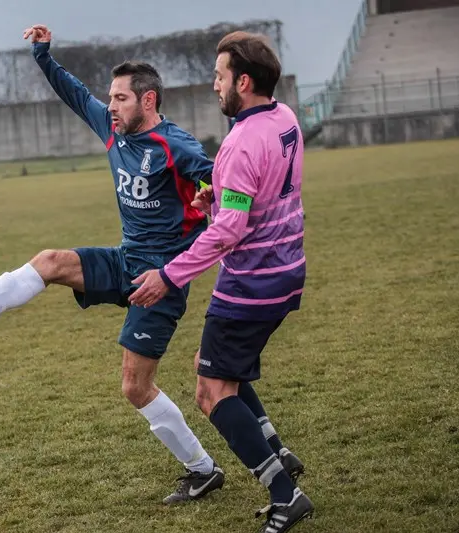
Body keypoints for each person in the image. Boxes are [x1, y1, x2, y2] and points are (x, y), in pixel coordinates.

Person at [0, 23, 226, 504]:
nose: (110, 106)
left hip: (158, 281)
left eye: (120, 98)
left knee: (135, 387)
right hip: (125, 261)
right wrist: (43, 55)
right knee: (51, 261)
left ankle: (202, 469)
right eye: (110, 97)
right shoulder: (112, 130)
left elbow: (222, 194)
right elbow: (73, 92)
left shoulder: (175, 146)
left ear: (148, 100)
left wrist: (208, 202)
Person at [129, 31, 314, 532]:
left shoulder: (236, 143)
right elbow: (261, 194)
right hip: (287, 271)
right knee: (215, 367)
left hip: (251, 282)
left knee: (211, 392)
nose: (214, 85)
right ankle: (279, 452)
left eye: (220, 76)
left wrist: (168, 275)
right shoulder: (286, 119)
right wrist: (223, 198)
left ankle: (284, 492)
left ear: (244, 81)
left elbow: (230, 231)